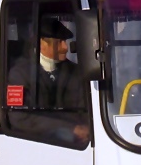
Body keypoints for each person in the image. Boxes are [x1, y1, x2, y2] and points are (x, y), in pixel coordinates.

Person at [5, 17, 90, 146]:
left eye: (65, 41)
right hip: (34, 144)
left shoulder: (76, 72)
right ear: (42, 44)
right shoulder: (19, 74)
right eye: (59, 42)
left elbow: (85, 109)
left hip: (76, 145)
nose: (65, 47)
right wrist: (70, 129)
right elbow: (20, 118)